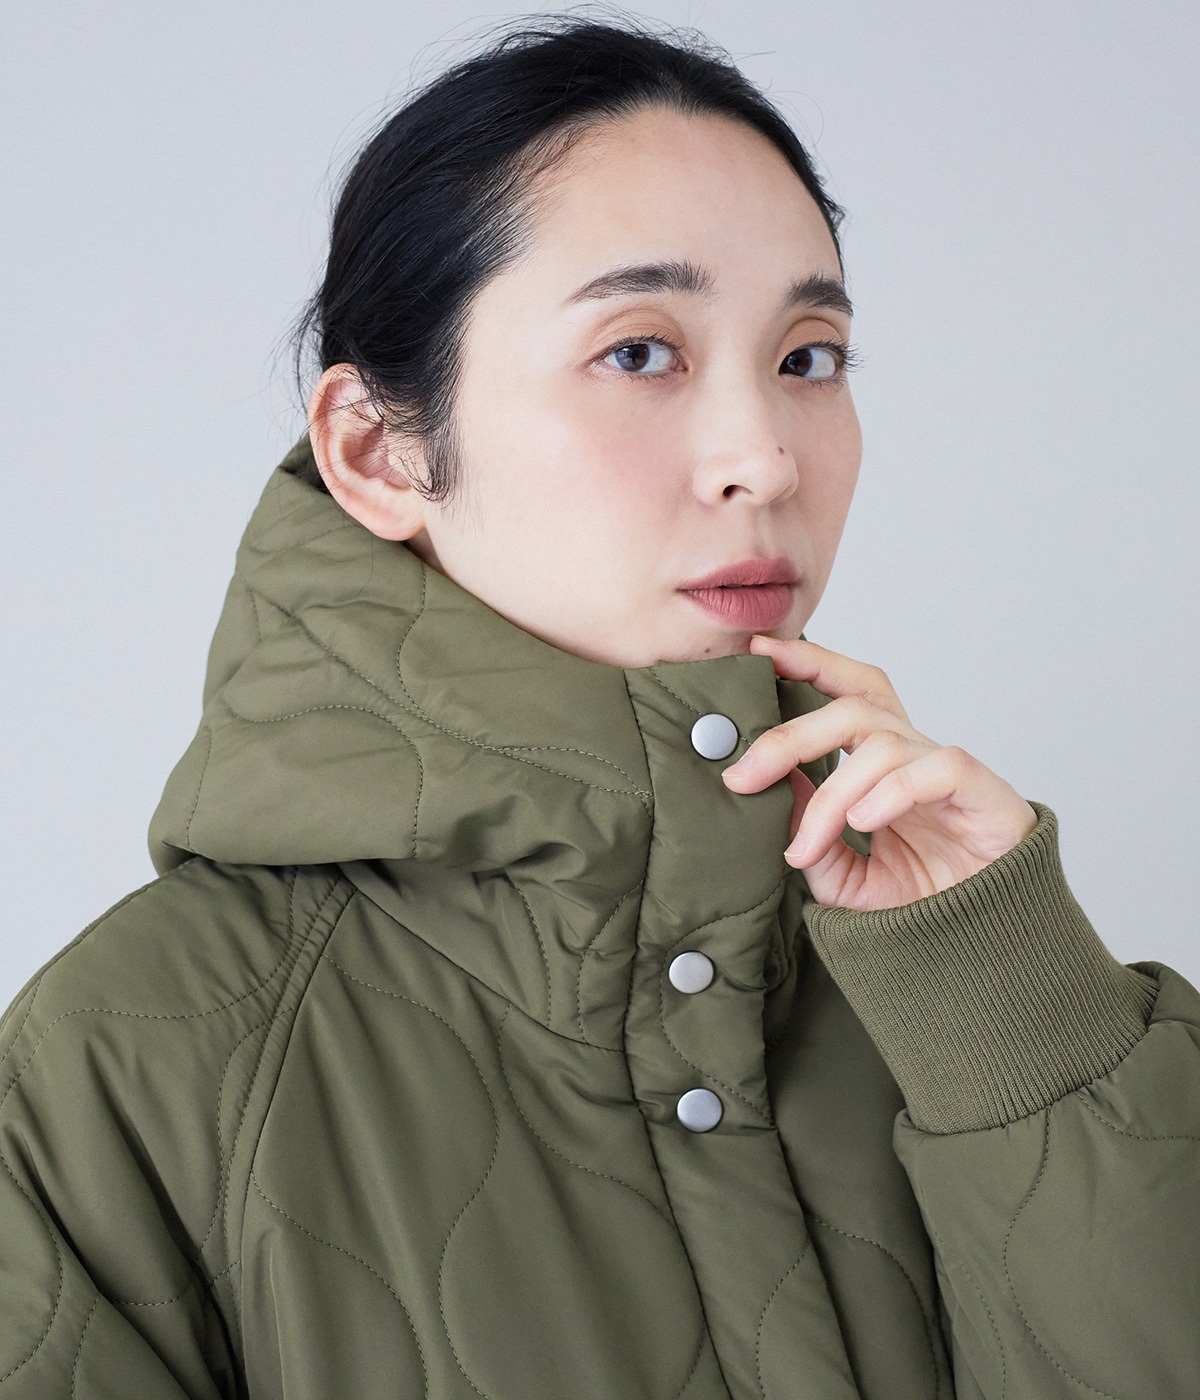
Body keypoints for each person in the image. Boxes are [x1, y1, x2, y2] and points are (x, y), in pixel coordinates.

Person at [1, 13, 1196, 1399]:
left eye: (809, 356)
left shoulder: (962, 961)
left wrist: (1012, 1005)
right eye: (639, 352)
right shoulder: (119, 1066)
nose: (764, 459)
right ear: (376, 452)